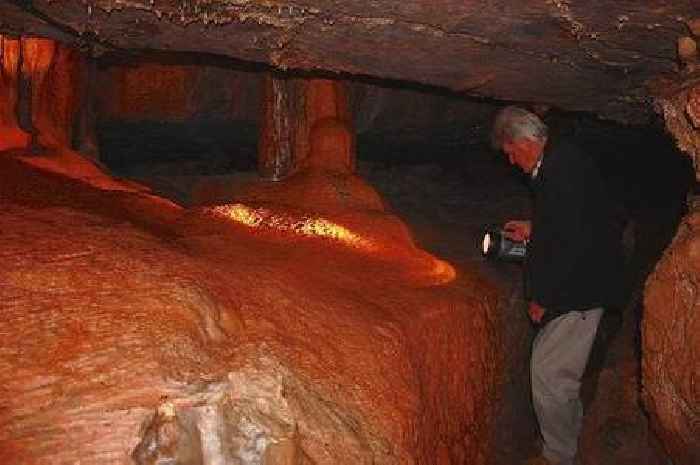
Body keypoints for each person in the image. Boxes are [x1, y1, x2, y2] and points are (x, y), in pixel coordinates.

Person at [491, 106, 623, 465]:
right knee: (556, 372)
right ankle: (570, 436)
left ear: (524, 142)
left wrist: (543, 297)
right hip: (582, 286)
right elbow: (574, 221)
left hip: (578, 292)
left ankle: (559, 455)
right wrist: (536, 228)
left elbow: (571, 243)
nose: (512, 162)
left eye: (511, 153)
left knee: (550, 374)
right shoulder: (562, 163)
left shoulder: (560, 171)